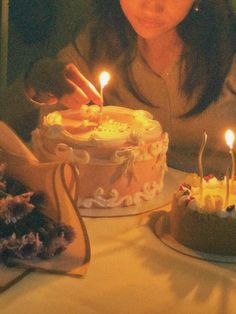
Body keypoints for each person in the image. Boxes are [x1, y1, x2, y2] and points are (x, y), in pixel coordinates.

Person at [0, 0, 236, 174]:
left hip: (216, 220)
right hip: (119, 224)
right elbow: (12, 118)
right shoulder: (100, 39)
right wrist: (36, 81)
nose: (150, 6)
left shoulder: (227, 50)